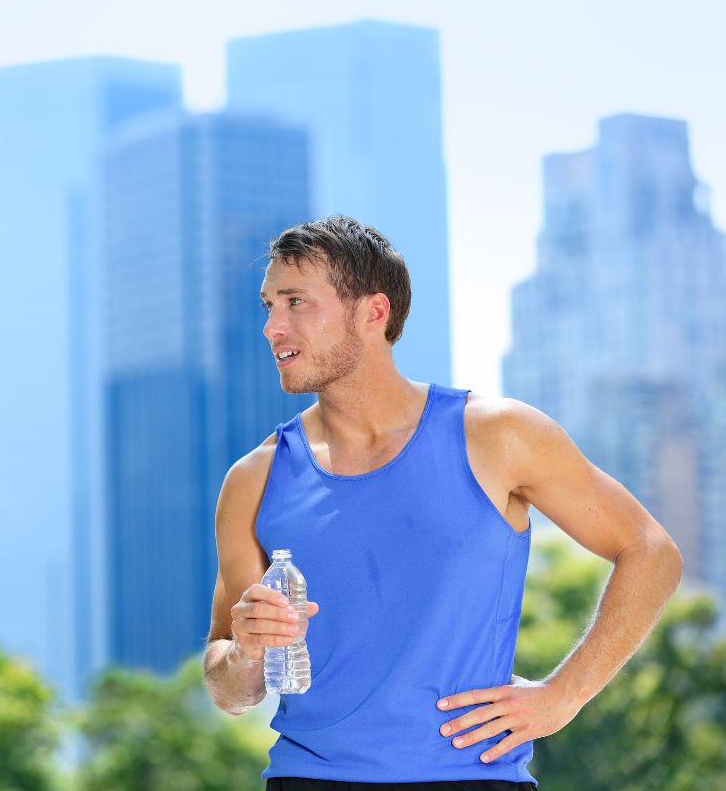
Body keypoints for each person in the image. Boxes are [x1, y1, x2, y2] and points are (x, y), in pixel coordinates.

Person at [202, 215, 684, 791]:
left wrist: (563, 696)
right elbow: (230, 687)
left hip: (473, 778)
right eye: (268, 306)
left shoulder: (497, 435)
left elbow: (651, 551)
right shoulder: (254, 479)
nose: (272, 327)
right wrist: (246, 654)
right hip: (308, 779)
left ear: (373, 313)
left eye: (295, 302)